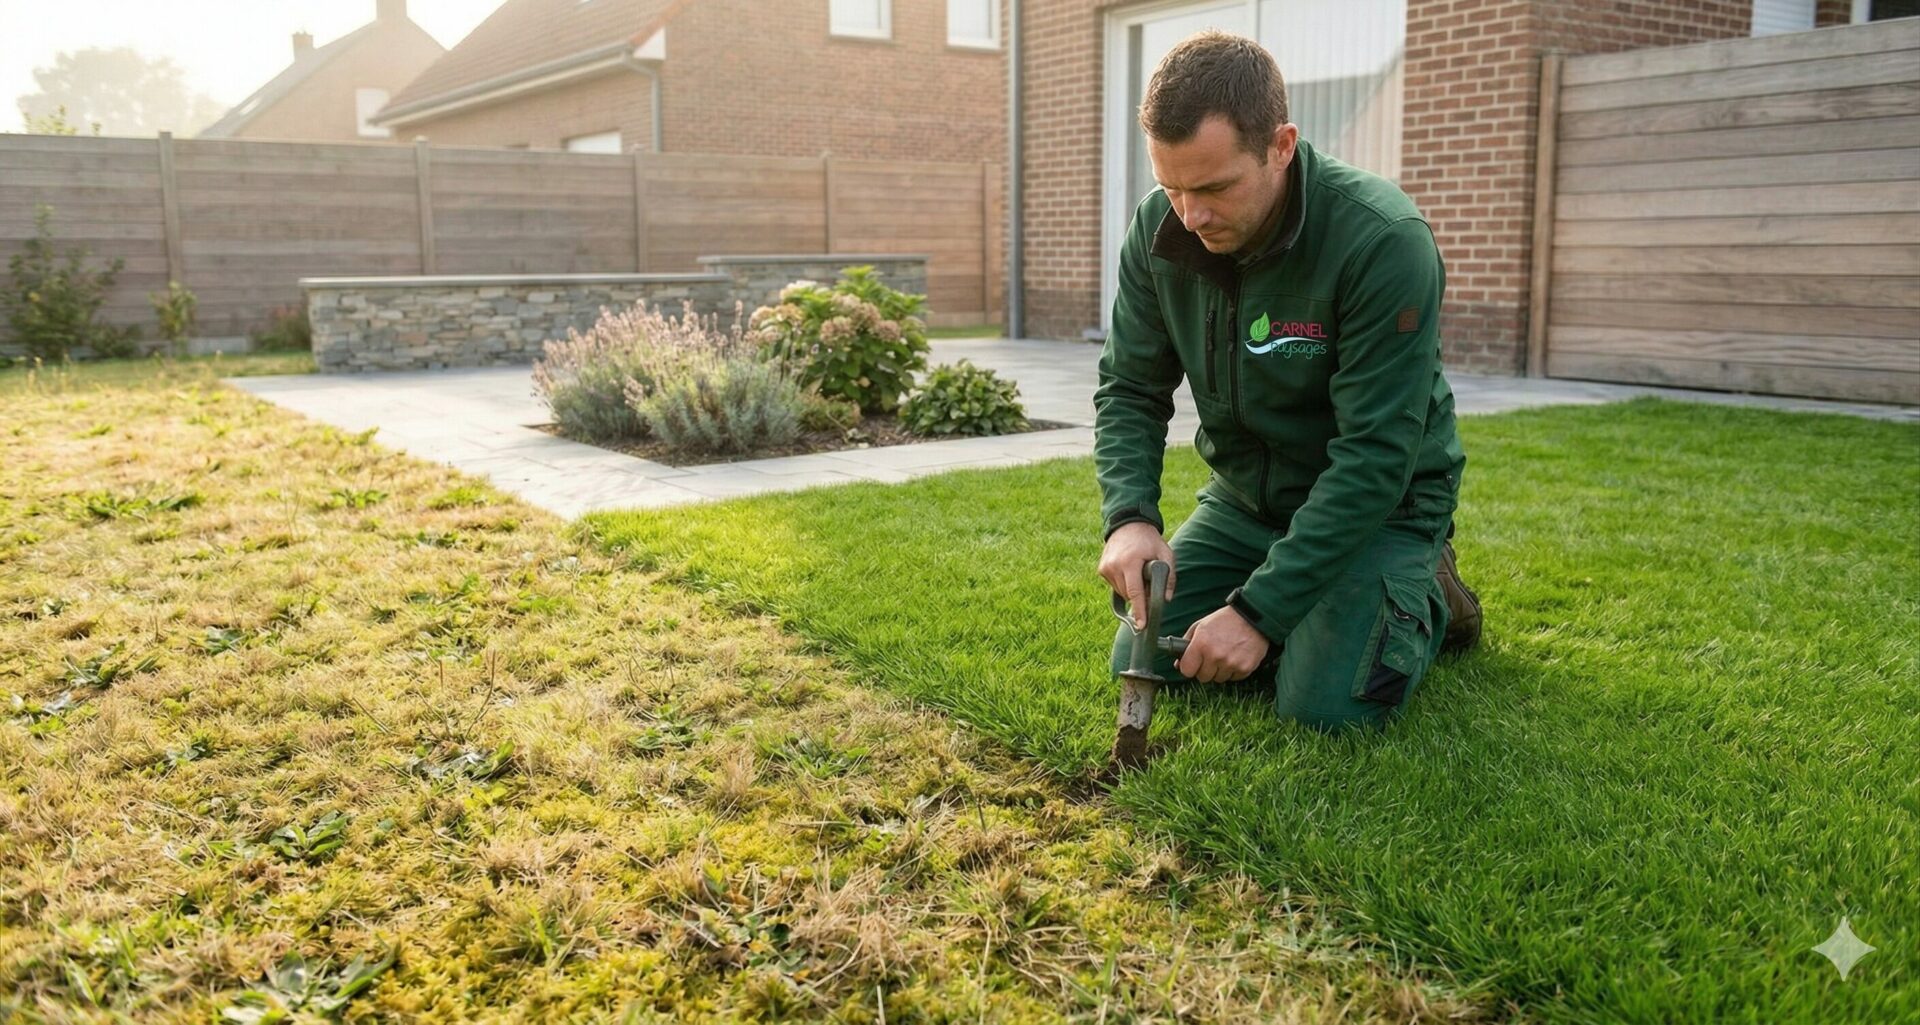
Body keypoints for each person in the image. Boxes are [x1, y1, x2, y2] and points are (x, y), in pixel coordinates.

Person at [1095, 30, 1482, 733]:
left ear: (1281, 144)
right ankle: (1319, 603)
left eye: (1213, 187)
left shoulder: (1381, 239)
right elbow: (1130, 387)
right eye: (1172, 186)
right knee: (1146, 652)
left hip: (1380, 512)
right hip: (1245, 505)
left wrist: (1257, 613)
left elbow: (1375, 456)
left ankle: (1425, 587)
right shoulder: (1161, 228)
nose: (1190, 216)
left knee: (1320, 707)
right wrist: (1130, 518)